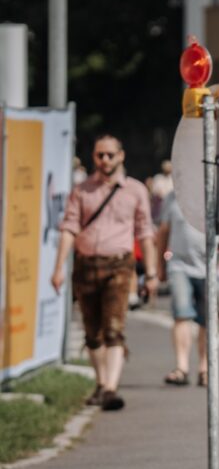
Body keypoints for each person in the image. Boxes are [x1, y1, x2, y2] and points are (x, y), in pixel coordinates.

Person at [52, 134, 158, 411]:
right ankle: (101, 383)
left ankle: (111, 388)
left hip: (118, 266)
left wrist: (152, 272)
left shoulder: (135, 191)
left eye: (110, 154)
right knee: (92, 334)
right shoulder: (82, 191)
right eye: (100, 155)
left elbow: (146, 233)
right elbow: (69, 229)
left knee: (113, 329)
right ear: (94, 157)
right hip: (86, 265)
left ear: (121, 156)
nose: (105, 160)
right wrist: (58, 268)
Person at [157, 191, 219, 387]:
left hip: (209, 266)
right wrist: (160, 265)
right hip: (179, 265)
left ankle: (205, 368)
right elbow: (164, 231)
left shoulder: (216, 193)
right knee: (181, 313)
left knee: (208, 319)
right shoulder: (173, 196)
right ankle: (181, 367)